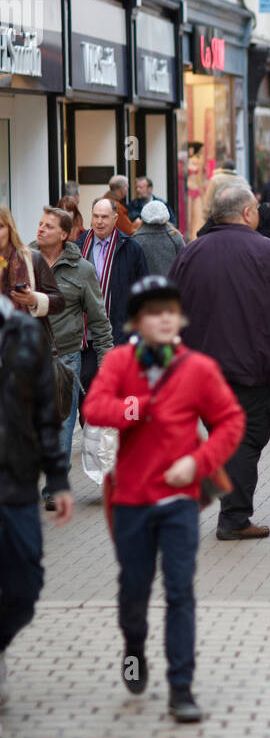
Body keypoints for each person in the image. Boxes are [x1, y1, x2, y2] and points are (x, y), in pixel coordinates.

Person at [82, 276, 245, 723]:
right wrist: (135, 408)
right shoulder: (119, 362)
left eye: (170, 310)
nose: (164, 318)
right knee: (134, 590)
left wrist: (198, 462)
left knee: (180, 591)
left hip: (179, 501)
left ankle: (181, 688)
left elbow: (230, 421)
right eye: (154, 311)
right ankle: (134, 648)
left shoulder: (197, 368)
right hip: (132, 499)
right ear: (137, 320)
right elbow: (93, 409)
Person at [170, 184, 270, 541]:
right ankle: (234, 518)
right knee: (245, 441)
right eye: (257, 210)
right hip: (253, 369)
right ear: (247, 213)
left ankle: (230, 509)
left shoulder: (190, 254)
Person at [0, 291, 74, 708]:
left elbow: (48, 414)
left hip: (17, 481)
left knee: (26, 585)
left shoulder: (25, 333)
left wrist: (59, 479)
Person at [33, 206, 112, 510]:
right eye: (40, 224)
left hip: (64, 357)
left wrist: (106, 363)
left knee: (63, 423)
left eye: (48, 226)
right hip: (24, 356)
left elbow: (99, 321)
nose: (40, 229)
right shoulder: (24, 261)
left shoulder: (82, 270)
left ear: (64, 234)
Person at [79, 198, 149, 347]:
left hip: (119, 334)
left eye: (104, 217)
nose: (99, 221)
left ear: (115, 218)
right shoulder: (78, 246)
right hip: (84, 338)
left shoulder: (131, 249)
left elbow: (144, 292)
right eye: (95, 216)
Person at [0, 205, 65, 336]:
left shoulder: (31, 258)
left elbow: (59, 302)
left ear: (10, 228)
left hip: (24, 344)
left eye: (0, 226)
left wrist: (33, 299)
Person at [133, 200, 185, 276]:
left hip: (144, 286)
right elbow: (184, 266)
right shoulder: (175, 237)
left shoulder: (136, 240)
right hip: (170, 286)